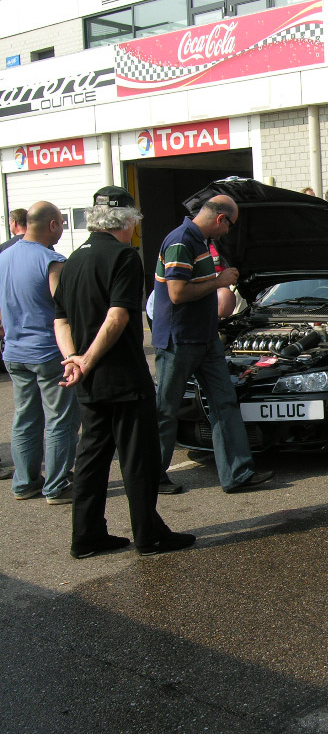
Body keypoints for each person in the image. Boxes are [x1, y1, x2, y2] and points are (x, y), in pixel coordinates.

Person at [53, 186, 194, 558]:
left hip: (89, 380)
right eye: (135, 221)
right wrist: (87, 359)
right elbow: (118, 316)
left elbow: (60, 319)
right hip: (123, 377)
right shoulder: (124, 257)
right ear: (129, 220)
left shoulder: (73, 258)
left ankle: (87, 536)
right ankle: (149, 535)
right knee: (138, 458)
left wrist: (75, 359)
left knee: (92, 458)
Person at [151, 195, 275, 494]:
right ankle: (151, 476)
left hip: (205, 339)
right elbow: (177, 293)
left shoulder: (201, 240)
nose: (228, 233)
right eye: (229, 226)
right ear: (221, 218)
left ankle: (237, 474)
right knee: (166, 409)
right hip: (178, 340)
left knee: (225, 403)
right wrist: (220, 282)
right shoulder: (181, 241)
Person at [0, 201, 79, 503]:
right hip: (47, 352)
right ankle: (57, 486)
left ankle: (25, 482)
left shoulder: (4, 257)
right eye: (61, 223)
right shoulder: (52, 261)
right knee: (60, 419)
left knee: (25, 417)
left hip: (14, 351)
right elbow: (65, 309)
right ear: (52, 225)